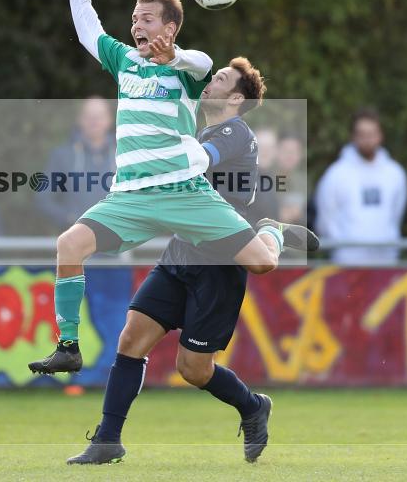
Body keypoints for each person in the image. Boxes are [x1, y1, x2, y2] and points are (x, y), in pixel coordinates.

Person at [28, 0, 315, 375]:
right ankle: (68, 346)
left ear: (169, 27)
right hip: (132, 195)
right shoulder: (124, 60)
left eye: (146, 19)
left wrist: (175, 56)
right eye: (134, 18)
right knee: (69, 244)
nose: (136, 25)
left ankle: (272, 230)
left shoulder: (188, 72)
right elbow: (89, 31)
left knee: (261, 264)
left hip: (183, 191)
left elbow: (202, 61)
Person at [67, 57, 288, 465]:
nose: (211, 81)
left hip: (219, 265)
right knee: (131, 337)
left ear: (236, 97)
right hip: (181, 253)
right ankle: (107, 440)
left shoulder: (235, 132)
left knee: (194, 369)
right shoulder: (203, 127)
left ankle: (253, 406)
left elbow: (199, 159)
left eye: (220, 79)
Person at [314, 108, 407, 264]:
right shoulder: (336, 174)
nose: (367, 139)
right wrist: (343, 250)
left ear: (380, 136)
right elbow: (326, 219)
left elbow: (396, 214)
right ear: (353, 137)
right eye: (362, 134)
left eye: (371, 134)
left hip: (386, 261)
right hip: (347, 264)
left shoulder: (395, 173)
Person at [35, 97, 117, 230]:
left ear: (109, 119)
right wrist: (70, 218)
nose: (94, 121)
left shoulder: (123, 156)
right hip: (77, 242)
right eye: (89, 116)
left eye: (100, 116)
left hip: (118, 242)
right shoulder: (63, 156)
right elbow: (43, 199)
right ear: (80, 119)